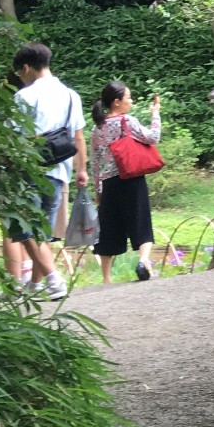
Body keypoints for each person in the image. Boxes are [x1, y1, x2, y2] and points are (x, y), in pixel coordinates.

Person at [5, 42, 85, 300]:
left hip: (29, 168)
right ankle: (34, 286)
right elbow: (78, 136)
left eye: (20, 73)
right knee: (41, 231)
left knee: (22, 226)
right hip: (59, 169)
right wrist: (80, 169)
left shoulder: (24, 96)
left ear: (26, 68)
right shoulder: (71, 95)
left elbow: (9, 136)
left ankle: (54, 279)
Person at [90, 80, 162, 284]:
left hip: (109, 184)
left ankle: (106, 278)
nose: (130, 101)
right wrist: (155, 114)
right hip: (131, 179)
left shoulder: (97, 129)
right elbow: (153, 137)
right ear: (116, 102)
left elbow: (95, 163)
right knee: (141, 222)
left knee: (108, 229)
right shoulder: (127, 121)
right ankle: (143, 261)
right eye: (128, 97)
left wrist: (97, 189)